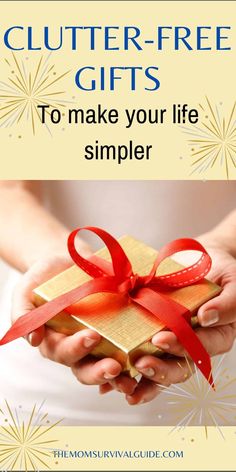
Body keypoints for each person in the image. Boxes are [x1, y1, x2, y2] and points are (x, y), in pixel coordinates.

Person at [0, 180, 235, 425]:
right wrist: (48, 251)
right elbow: (7, 189)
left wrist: (227, 243)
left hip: (204, 401)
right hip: (36, 399)